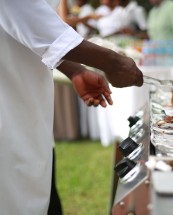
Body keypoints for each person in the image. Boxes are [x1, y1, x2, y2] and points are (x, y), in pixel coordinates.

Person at [0, 1, 143, 215]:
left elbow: (23, 31)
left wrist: (74, 69)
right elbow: (29, 17)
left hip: (28, 109)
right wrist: (112, 62)